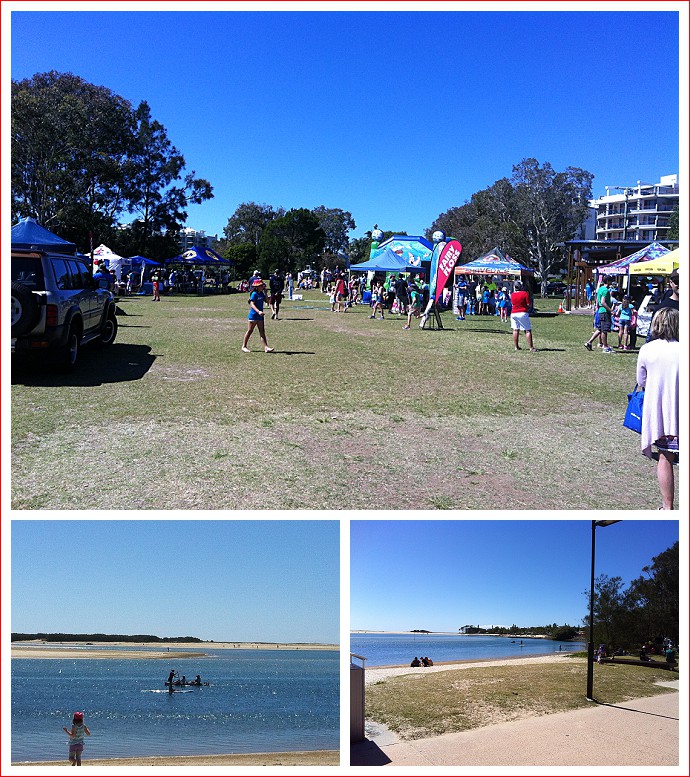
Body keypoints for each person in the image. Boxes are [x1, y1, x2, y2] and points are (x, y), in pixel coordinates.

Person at [636, 307, 679, 510]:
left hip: (664, 413)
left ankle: (667, 506)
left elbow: (641, 380)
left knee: (665, 457)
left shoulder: (647, 349)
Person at [242, 279, 275, 353]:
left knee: (262, 332)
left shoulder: (261, 294)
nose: (262, 287)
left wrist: (266, 293)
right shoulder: (254, 294)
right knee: (250, 331)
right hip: (253, 315)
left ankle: (266, 347)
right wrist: (258, 311)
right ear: (256, 287)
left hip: (260, 316)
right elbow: (252, 304)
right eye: (261, 286)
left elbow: (267, 301)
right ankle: (244, 346)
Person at [584, 275, 615, 353]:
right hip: (604, 311)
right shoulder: (606, 290)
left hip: (600, 311)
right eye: (610, 281)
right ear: (608, 281)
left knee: (600, 329)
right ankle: (605, 347)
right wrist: (610, 310)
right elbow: (602, 301)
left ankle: (589, 342)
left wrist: (596, 309)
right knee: (604, 330)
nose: (611, 282)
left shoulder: (600, 289)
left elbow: (597, 301)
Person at [510, 280, 536, 352]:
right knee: (527, 330)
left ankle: (516, 347)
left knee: (515, 330)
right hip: (522, 313)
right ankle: (531, 347)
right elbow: (529, 304)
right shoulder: (524, 293)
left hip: (513, 313)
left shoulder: (512, 294)